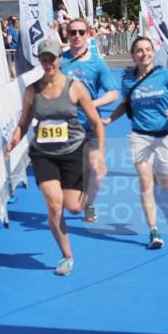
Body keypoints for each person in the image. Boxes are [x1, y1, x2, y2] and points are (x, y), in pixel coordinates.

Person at [5, 39, 106, 276]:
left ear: (60, 59)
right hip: (44, 154)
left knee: (73, 207)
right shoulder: (32, 90)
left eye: (52, 58)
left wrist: (99, 153)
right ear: (40, 61)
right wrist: (12, 141)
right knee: (54, 205)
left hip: (73, 152)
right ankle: (66, 256)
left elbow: (96, 123)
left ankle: (89, 197)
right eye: (44, 58)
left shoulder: (75, 87)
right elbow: (23, 122)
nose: (49, 62)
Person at [104, 36, 168, 250]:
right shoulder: (128, 80)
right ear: (133, 56)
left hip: (164, 136)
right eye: (140, 51)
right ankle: (154, 231)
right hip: (139, 136)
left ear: (153, 52)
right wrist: (109, 119)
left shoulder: (165, 75)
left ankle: (156, 175)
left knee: (167, 183)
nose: (144, 54)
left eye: (148, 49)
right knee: (145, 184)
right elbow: (125, 105)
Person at [60, 17, 120, 223]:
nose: (76, 36)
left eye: (81, 32)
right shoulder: (59, 61)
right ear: (66, 35)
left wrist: (91, 104)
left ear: (88, 35)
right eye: (72, 32)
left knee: (96, 168)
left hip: (90, 125)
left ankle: (89, 202)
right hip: (64, 127)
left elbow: (113, 93)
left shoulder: (97, 63)